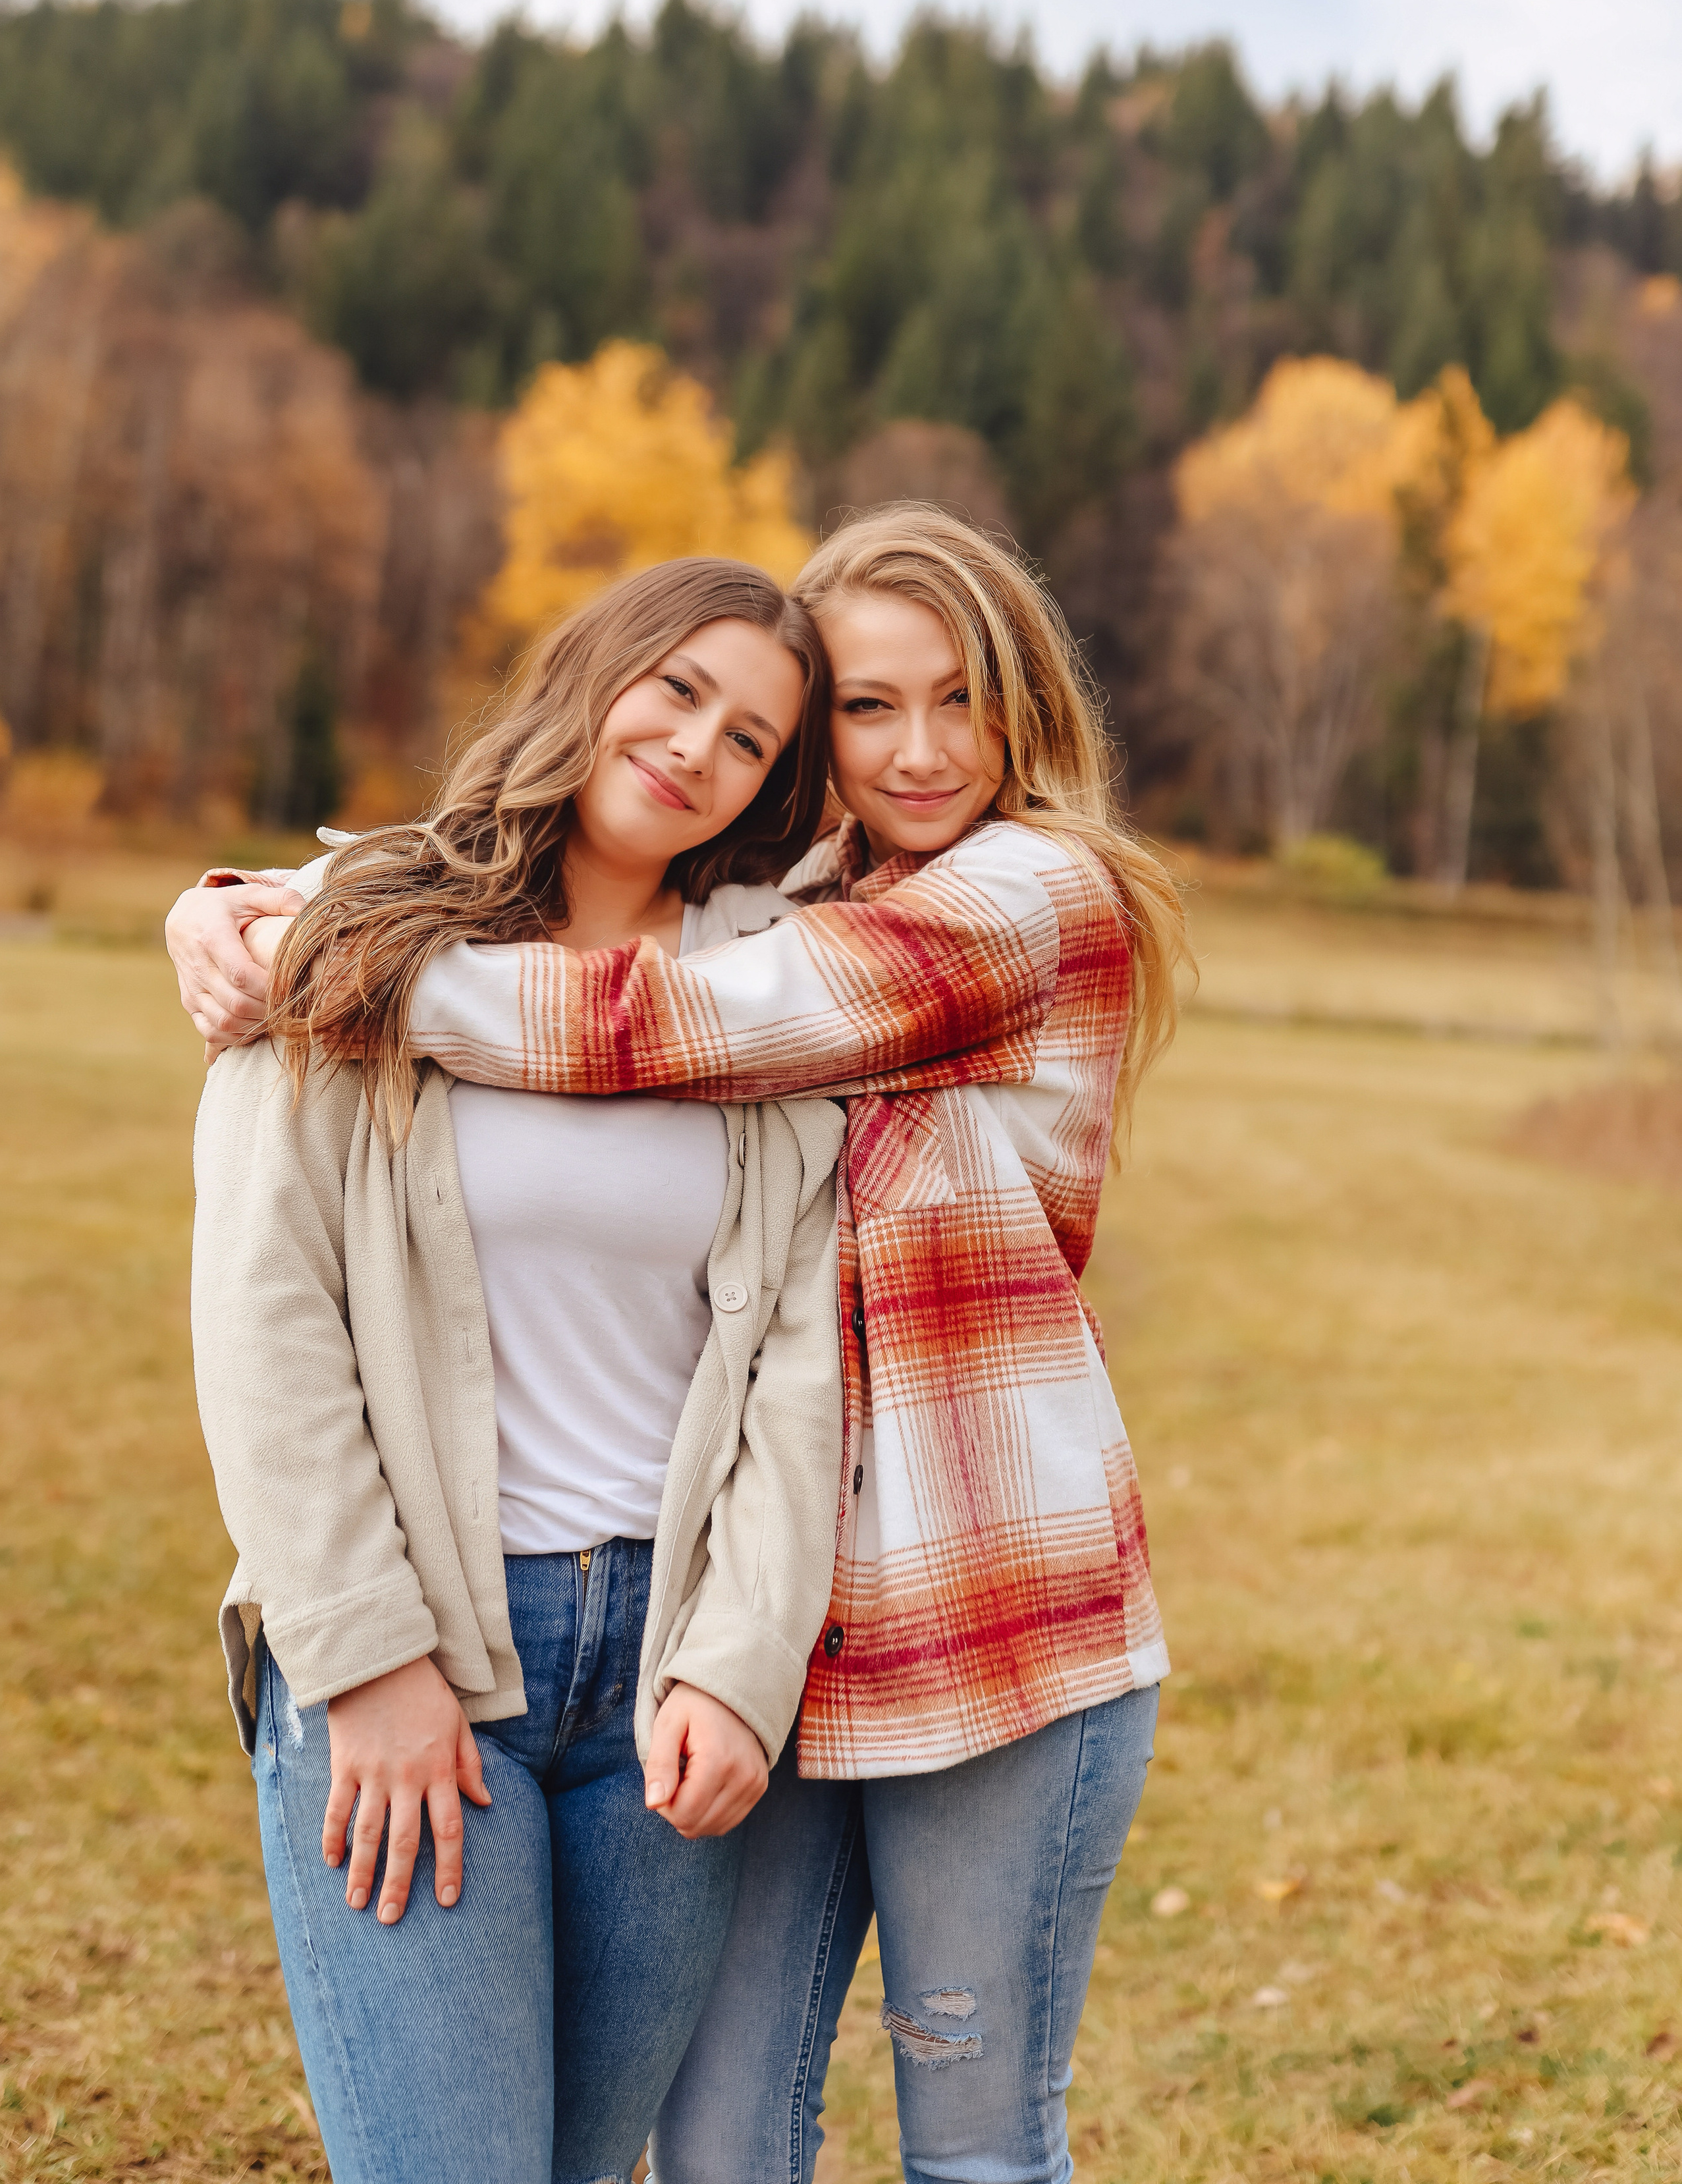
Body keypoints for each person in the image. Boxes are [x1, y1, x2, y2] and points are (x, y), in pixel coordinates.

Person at [171, 506, 1190, 2184]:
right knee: (716, 2145)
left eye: (959, 698)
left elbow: (669, 1020)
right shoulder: (796, 896)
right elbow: (273, 1300)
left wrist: (331, 952)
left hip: (965, 1597)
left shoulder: (1011, 898)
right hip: (739, 1620)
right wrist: (256, 903)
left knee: (972, 2139)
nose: (918, 750)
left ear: (1024, 706)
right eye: (866, 708)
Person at [188, 557, 851, 2184]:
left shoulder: (769, 994)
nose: (696, 748)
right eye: (677, 690)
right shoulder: (355, 930)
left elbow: (794, 1363)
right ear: (593, 672)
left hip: (663, 1693)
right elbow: (265, 1313)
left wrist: (739, 1664)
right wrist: (367, 1661)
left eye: (750, 740)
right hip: (426, 1647)